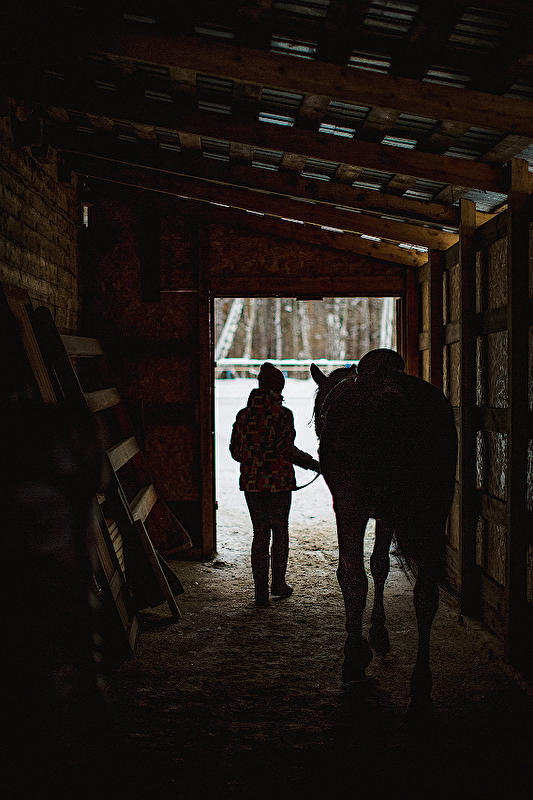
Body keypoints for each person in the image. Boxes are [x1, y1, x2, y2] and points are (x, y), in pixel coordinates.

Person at [230, 362, 320, 607]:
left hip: (252, 484)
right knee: (280, 531)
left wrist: (254, 457)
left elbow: (236, 453)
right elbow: (287, 450)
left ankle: (260, 592)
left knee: (259, 533)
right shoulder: (283, 414)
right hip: (279, 483)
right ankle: (278, 584)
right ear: (279, 387)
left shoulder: (243, 415)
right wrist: (314, 464)